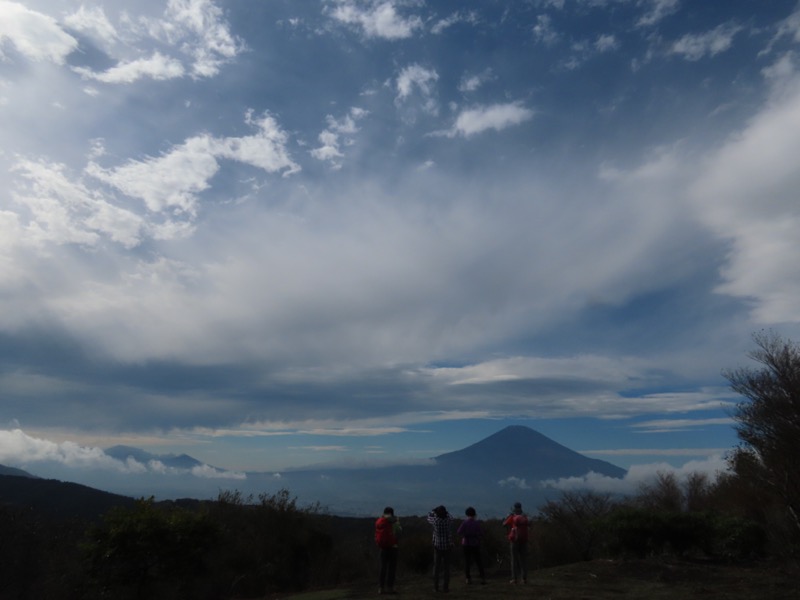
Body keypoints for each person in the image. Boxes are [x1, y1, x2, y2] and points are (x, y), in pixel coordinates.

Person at [375, 506, 401, 594]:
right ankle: (390, 587)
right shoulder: (394, 522)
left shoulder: (379, 521)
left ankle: (381, 588)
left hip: (382, 547)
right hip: (393, 547)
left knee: (382, 568)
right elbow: (399, 532)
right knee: (391, 569)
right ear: (392, 513)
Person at [427, 505, 453, 592]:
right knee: (447, 568)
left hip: (437, 546)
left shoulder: (435, 521)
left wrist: (433, 511)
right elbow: (450, 516)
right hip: (448, 546)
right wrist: (445, 512)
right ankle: (445, 587)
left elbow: (429, 516)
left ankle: (436, 587)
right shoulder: (448, 520)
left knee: (437, 567)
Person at [457, 506, 486, 585]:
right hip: (475, 544)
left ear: (467, 514)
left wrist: (465, 535)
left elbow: (459, 532)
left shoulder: (464, 523)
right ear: (474, 514)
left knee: (467, 561)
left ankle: (468, 578)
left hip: (466, 543)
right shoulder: (476, 523)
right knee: (478, 561)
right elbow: (482, 533)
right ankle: (482, 578)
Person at [502, 501, 529, 584]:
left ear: (514, 508)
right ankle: (524, 578)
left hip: (514, 541)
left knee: (514, 560)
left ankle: (514, 579)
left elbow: (504, 524)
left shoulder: (512, 517)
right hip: (523, 540)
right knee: (523, 559)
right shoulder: (524, 517)